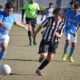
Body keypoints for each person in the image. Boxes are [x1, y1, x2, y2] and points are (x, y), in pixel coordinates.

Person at [34, 8, 65, 76]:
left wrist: (59, 35)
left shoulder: (62, 23)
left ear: (61, 15)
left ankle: (39, 70)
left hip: (54, 42)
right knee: (44, 55)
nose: (54, 17)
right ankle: (41, 57)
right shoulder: (49, 19)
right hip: (45, 40)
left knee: (50, 58)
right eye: (54, 15)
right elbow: (41, 26)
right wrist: (35, 33)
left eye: (56, 16)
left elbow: (61, 33)